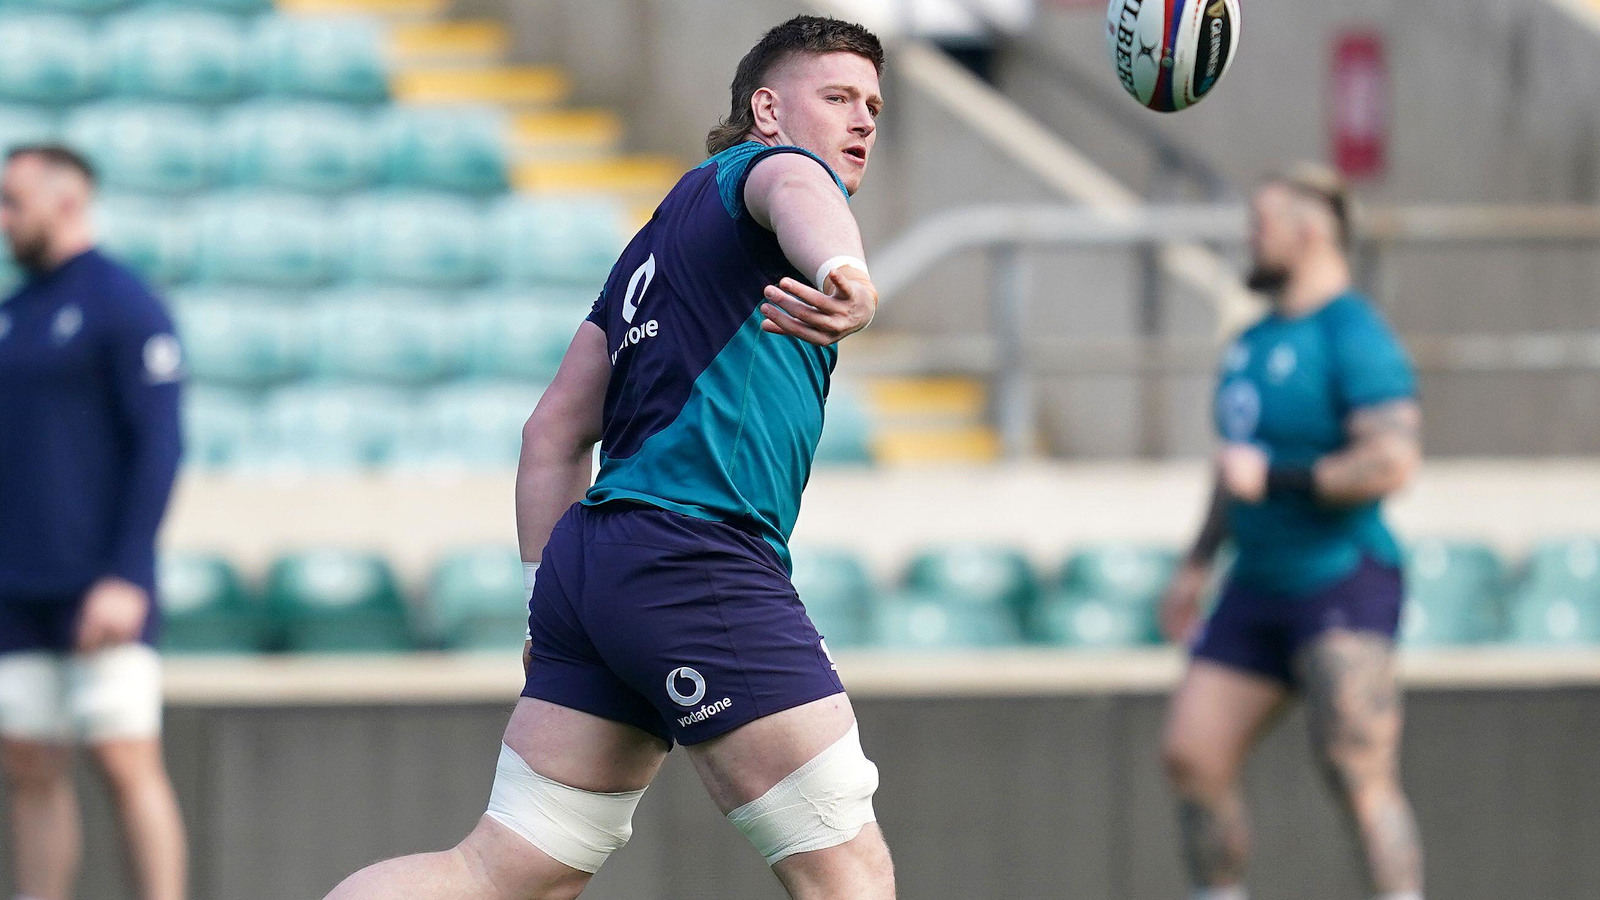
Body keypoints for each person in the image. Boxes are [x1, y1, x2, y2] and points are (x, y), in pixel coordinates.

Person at [324, 15, 894, 900]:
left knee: (503, 872)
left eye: (872, 105)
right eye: (838, 97)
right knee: (846, 873)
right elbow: (802, 196)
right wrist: (847, 276)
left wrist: (543, 602)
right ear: (768, 109)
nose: (862, 119)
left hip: (593, 566)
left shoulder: (659, 239)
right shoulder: (775, 171)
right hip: (694, 554)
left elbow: (551, 432)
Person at [1159, 165, 1424, 900]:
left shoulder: (1353, 334)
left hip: (1339, 576)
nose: (1251, 238)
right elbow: (1231, 467)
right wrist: (1196, 562)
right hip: (1254, 584)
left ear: (1310, 233)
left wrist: (1281, 479)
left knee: (1357, 771)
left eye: (1262, 224)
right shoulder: (1249, 342)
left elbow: (1392, 460)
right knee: (1192, 754)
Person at [0, 146, 187, 900]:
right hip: (17, 588)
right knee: (30, 768)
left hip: (100, 583)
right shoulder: (13, 315)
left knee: (124, 760)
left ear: (67, 200)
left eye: (15, 203)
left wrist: (123, 572)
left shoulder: (122, 302)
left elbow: (160, 446)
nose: (5, 219)